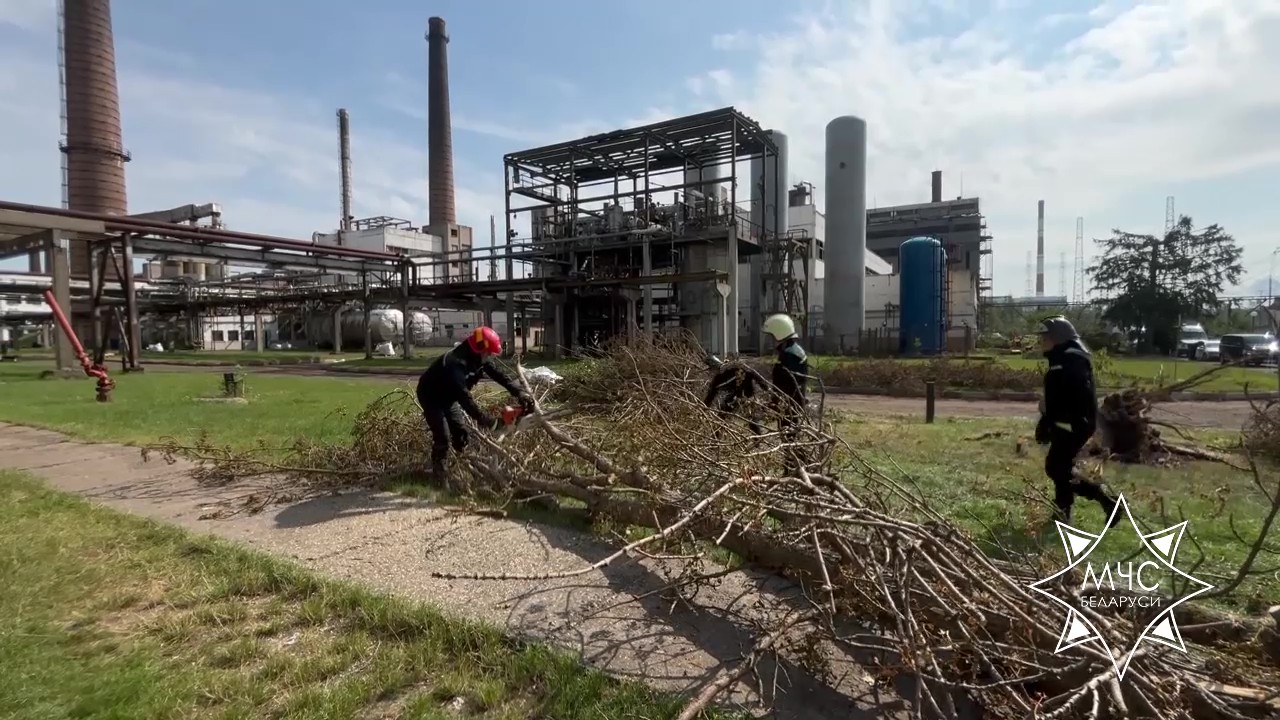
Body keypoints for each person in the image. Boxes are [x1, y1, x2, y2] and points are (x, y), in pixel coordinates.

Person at [415, 326, 533, 483]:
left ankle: (460, 468)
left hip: (449, 396)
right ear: (480, 349)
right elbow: (465, 399)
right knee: (443, 436)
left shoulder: (478, 358)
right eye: (488, 352)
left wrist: (519, 392)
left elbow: (500, 375)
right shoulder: (454, 365)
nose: (490, 355)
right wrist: (487, 420)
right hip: (431, 397)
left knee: (461, 433)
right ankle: (439, 478)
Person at [1034, 315, 1119, 526]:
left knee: (1057, 467)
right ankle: (1063, 512)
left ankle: (1107, 501)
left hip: (1074, 424)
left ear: (1058, 338)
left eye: (1045, 337)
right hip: (1068, 423)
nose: (1042, 341)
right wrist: (1047, 419)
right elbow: (1057, 396)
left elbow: (1073, 397)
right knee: (1059, 466)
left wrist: (1051, 420)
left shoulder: (1071, 363)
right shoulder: (1063, 360)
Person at [763, 313, 810, 476]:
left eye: (772, 336)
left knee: (789, 438)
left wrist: (775, 402)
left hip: (789, 406)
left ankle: (793, 472)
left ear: (779, 333)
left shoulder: (789, 355)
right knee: (791, 438)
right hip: (793, 404)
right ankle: (797, 470)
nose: (771, 341)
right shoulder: (794, 351)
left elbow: (785, 384)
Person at [703, 354, 766, 435]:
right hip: (736, 397)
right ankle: (716, 436)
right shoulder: (720, 378)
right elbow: (711, 395)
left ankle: (758, 438)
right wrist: (704, 407)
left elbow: (751, 373)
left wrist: (764, 385)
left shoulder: (731, 370)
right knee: (723, 414)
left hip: (747, 396)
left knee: (752, 419)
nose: (710, 372)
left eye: (710, 369)